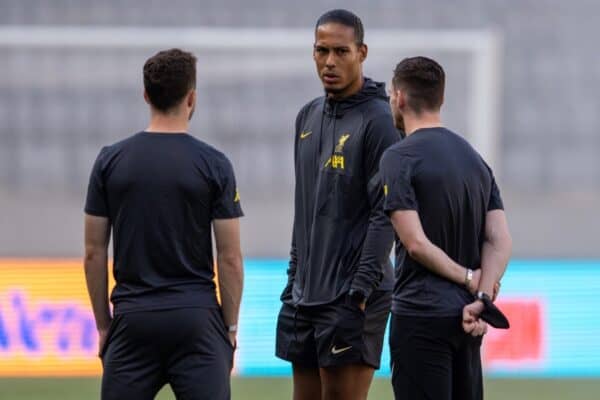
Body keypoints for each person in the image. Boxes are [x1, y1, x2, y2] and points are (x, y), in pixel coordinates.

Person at [83, 48, 244, 400]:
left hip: (133, 318)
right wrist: (229, 329)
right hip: (196, 319)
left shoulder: (110, 161)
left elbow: (94, 253)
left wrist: (103, 326)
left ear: (146, 95)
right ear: (192, 97)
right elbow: (230, 257)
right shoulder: (214, 164)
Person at [275, 9, 400, 400]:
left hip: (352, 296)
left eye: (341, 51)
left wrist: (360, 288)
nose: (329, 62)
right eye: (321, 50)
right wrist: (295, 275)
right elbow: (306, 207)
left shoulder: (379, 121)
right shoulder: (307, 116)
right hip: (305, 293)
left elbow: (387, 213)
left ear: (362, 52)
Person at [380, 56, 512, 400]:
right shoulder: (475, 160)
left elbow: (415, 244)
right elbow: (499, 240)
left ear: (400, 98)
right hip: (468, 319)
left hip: (420, 316)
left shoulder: (398, 157)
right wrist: (481, 296)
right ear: (440, 99)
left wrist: (468, 277)